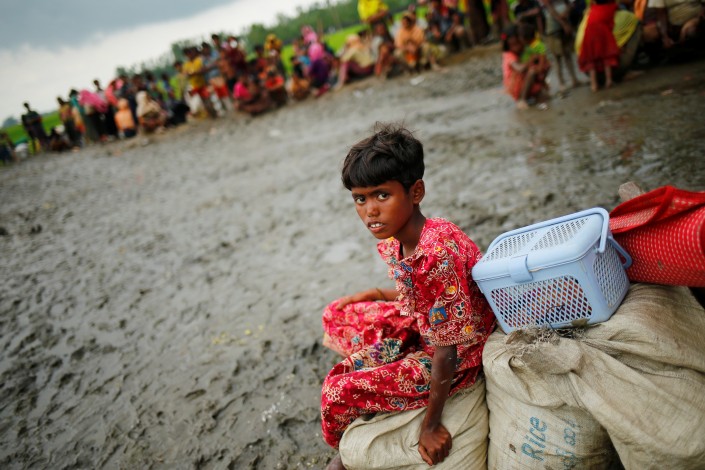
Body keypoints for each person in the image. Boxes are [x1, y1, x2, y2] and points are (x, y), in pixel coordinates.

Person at [321, 124, 496, 470]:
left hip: (457, 358)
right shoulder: (404, 237)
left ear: (416, 192)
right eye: (360, 199)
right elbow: (419, 297)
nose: (370, 210)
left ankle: (347, 453)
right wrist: (376, 294)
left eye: (381, 195)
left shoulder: (436, 255)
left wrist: (431, 426)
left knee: (335, 392)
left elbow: (447, 350)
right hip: (425, 325)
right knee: (337, 313)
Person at [502, 25, 550, 108]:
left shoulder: (527, 49)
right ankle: (522, 99)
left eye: (517, 43)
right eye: (512, 45)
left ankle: (537, 90)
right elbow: (519, 68)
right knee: (532, 71)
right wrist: (531, 60)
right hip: (516, 84)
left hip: (528, 81)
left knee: (545, 98)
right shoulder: (509, 55)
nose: (516, 48)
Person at [578, 0, 621, 91]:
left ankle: (594, 85)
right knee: (607, 55)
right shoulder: (611, 7)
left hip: (589, 32)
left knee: (591, 58)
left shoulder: (593, 8)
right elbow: (617, 4)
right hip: (603, 31)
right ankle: (609, 80)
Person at [540, 0, 583, 90]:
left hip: (564, 21)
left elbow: (570, 4)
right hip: (553, 26)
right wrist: (563, 22)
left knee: (567, 53)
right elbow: (550, 9)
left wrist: (566, 14)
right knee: (557, 56)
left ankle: (574, 79)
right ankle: (561, 82)